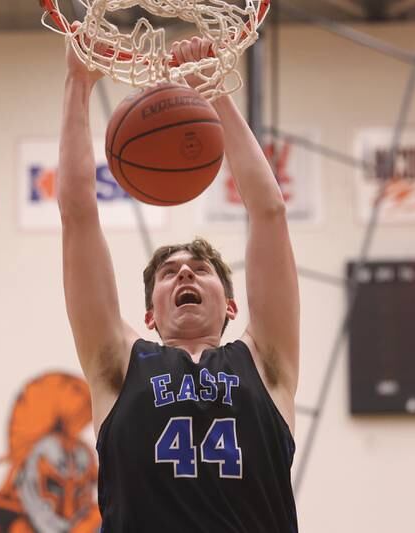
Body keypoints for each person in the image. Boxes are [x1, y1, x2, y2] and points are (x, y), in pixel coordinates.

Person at [57, 29, 300, 532]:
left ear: (231, 306)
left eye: (200, 269)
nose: (185, 271)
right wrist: (78, 82)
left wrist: (212, 92)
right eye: (168, 273)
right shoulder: (119, 364)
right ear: (150, 315)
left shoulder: (266, 363)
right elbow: (79, 215)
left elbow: (270, 213)